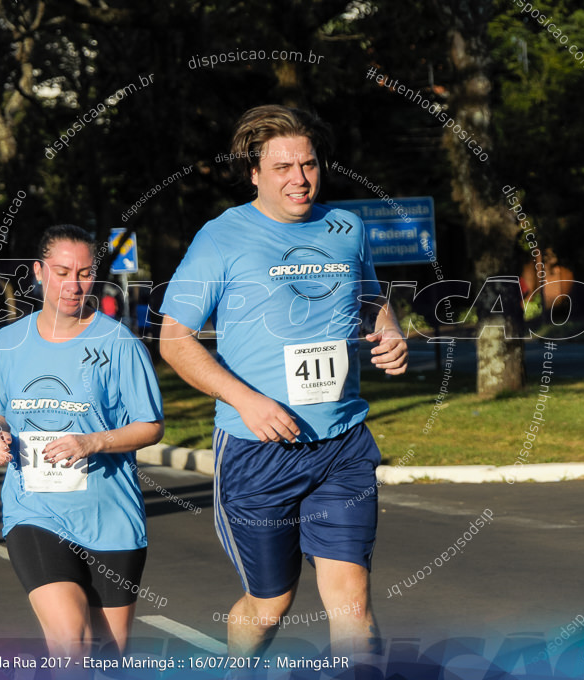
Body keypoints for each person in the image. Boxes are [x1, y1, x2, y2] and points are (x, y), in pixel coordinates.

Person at [158, 105, 408, 662]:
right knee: (271, 603)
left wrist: (388, 332)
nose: (300, 178)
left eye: (310, 164)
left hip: (342, 444)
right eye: (282, 167)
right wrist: (246, 401)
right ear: (253, 173)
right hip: (258, 450)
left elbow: (372, 300)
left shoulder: (346, 227)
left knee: (352, 602)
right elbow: (174, 340)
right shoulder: (221, 238)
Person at [0, 225, 164, 658]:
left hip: (110, 518)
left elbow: (151, 426)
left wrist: (91, 443)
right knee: (70, 638)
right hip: (35, 510)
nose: (73, 284)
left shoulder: (118, 343)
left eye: (84, 273)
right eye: (62, 271)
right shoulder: (8, 342)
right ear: (39, 272)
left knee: (109, 657)